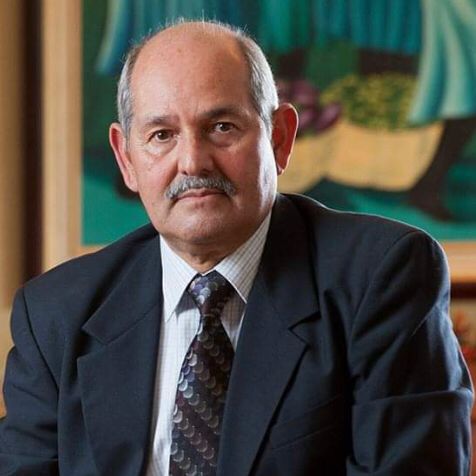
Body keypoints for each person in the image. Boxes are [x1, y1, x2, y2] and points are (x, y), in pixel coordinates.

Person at [0, 20, 472, 476]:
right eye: (162, 135)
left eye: (222, 127)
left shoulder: (382, 277)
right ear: (126, 158)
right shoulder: (56, 315)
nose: (192, 161)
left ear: (280, 138)